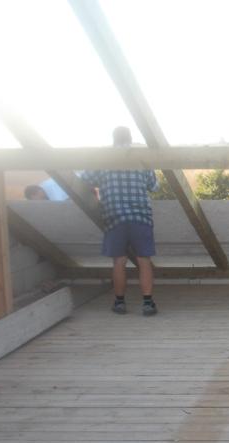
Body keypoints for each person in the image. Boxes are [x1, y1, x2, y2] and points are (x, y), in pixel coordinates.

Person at [82, 126, 159, 316]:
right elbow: (154, 186)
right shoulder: (140, 158)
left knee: (119, 261)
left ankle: (119, 302)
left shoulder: (103, 159)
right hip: (141, 216)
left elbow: (85, 179)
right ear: (130, 138)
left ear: (113, 138)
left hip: (114, 216)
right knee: (144, 260)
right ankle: (148, 303)